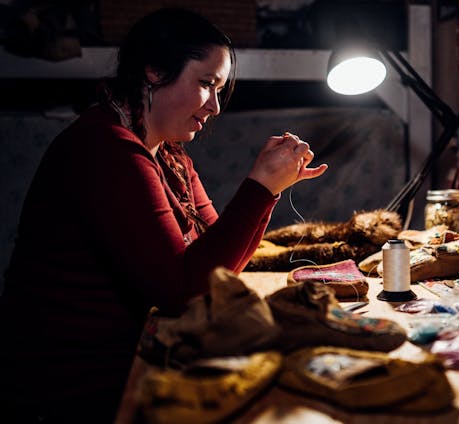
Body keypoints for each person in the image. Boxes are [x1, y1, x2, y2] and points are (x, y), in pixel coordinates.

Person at [0, 8, 327, 422]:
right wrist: (260, 188)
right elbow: (185, 289)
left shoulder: (168, 155)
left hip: (120, 360)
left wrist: (270, 190)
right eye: (206, 84)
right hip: (67, 387)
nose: (215, 107)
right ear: (154, 71)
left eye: (219, 88)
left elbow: (218, 265)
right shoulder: (107, 150)